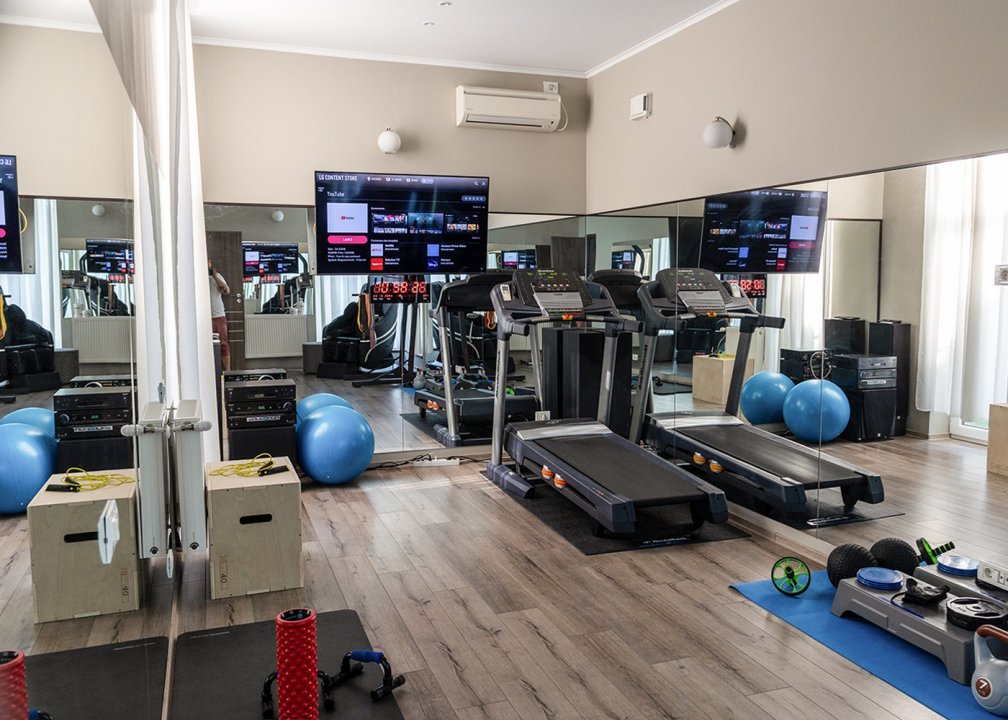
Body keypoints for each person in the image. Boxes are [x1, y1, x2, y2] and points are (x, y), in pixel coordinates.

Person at [208, 260, 231, 370]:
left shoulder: (216, 277)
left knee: (223, 344)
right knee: (205, 345)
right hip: (202, 317)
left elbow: (226, 291)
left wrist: (214, 275)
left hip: (217, 316)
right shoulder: (195, 277)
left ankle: (227, 371)